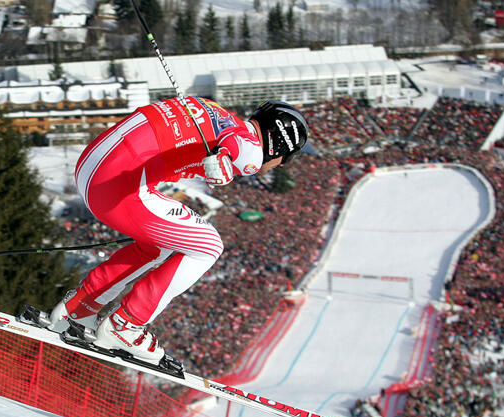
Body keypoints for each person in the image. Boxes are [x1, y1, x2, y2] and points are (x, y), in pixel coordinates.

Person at [31, 97, 308, 364]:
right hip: (117, 185)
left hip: (91, 168)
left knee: (160, 244)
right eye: (288, 156)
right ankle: (126, 325)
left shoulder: (217, 111)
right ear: (277, 143)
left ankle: (81, 307)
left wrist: (221, 153)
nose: (283, 163)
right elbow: (237, 147)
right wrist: (224, 160)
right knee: (208, 247)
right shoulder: (251, 151)